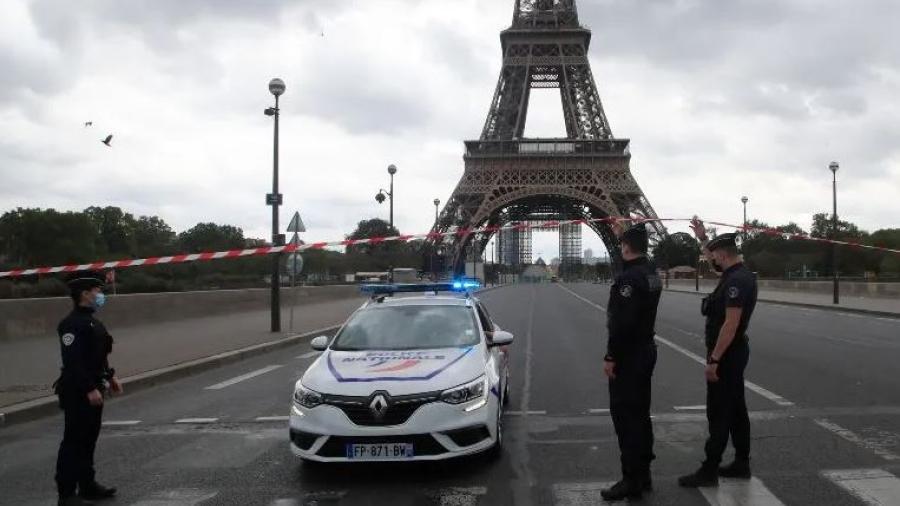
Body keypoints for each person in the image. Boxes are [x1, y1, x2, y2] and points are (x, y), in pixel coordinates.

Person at [678, 220, 758, 488]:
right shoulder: (737, 275)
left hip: (727, 354)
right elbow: (715, 266)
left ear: (723, 255)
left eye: (714, 255)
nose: (712, 260)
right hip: (735, 352)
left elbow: (731, 324)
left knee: (719, 411)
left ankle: (709, 469)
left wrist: (714, 360)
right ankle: (742, 463)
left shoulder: (735, 281)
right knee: (736, 410)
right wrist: (702, 238)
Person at [600, 223, 662, 501]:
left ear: (625, 247)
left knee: (626, 418)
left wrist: (611, 355)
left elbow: (621, 324)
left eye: (622, 243)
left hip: (629, 355)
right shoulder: (651, 275)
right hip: (646, 349)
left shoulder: (628, 280)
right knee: (641, 415)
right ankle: (643, 473)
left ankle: (631, 479)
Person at [55, 274, 121, 506]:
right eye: (96, 290)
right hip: (77, 390)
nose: (99, 295)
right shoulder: (71, 324)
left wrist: (110, 378)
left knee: (89, 439)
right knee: (74, 441)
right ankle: (66, 494)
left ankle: (88, 485)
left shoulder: (93, 322)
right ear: (84, 294)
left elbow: (98, 355)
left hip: (94, 385)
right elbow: (74, 361)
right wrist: (89, 389)